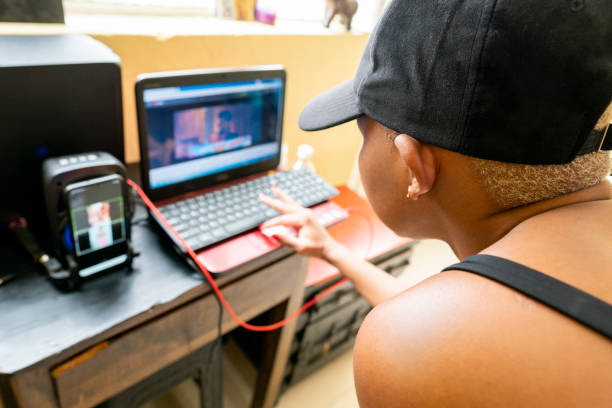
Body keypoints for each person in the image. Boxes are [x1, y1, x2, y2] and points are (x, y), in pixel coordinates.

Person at [260, 0, 612, 406]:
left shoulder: (414, 353)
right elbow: (438, 323)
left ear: (414, 167)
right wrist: (333, 251)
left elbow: (424, 337)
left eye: (363, 130)